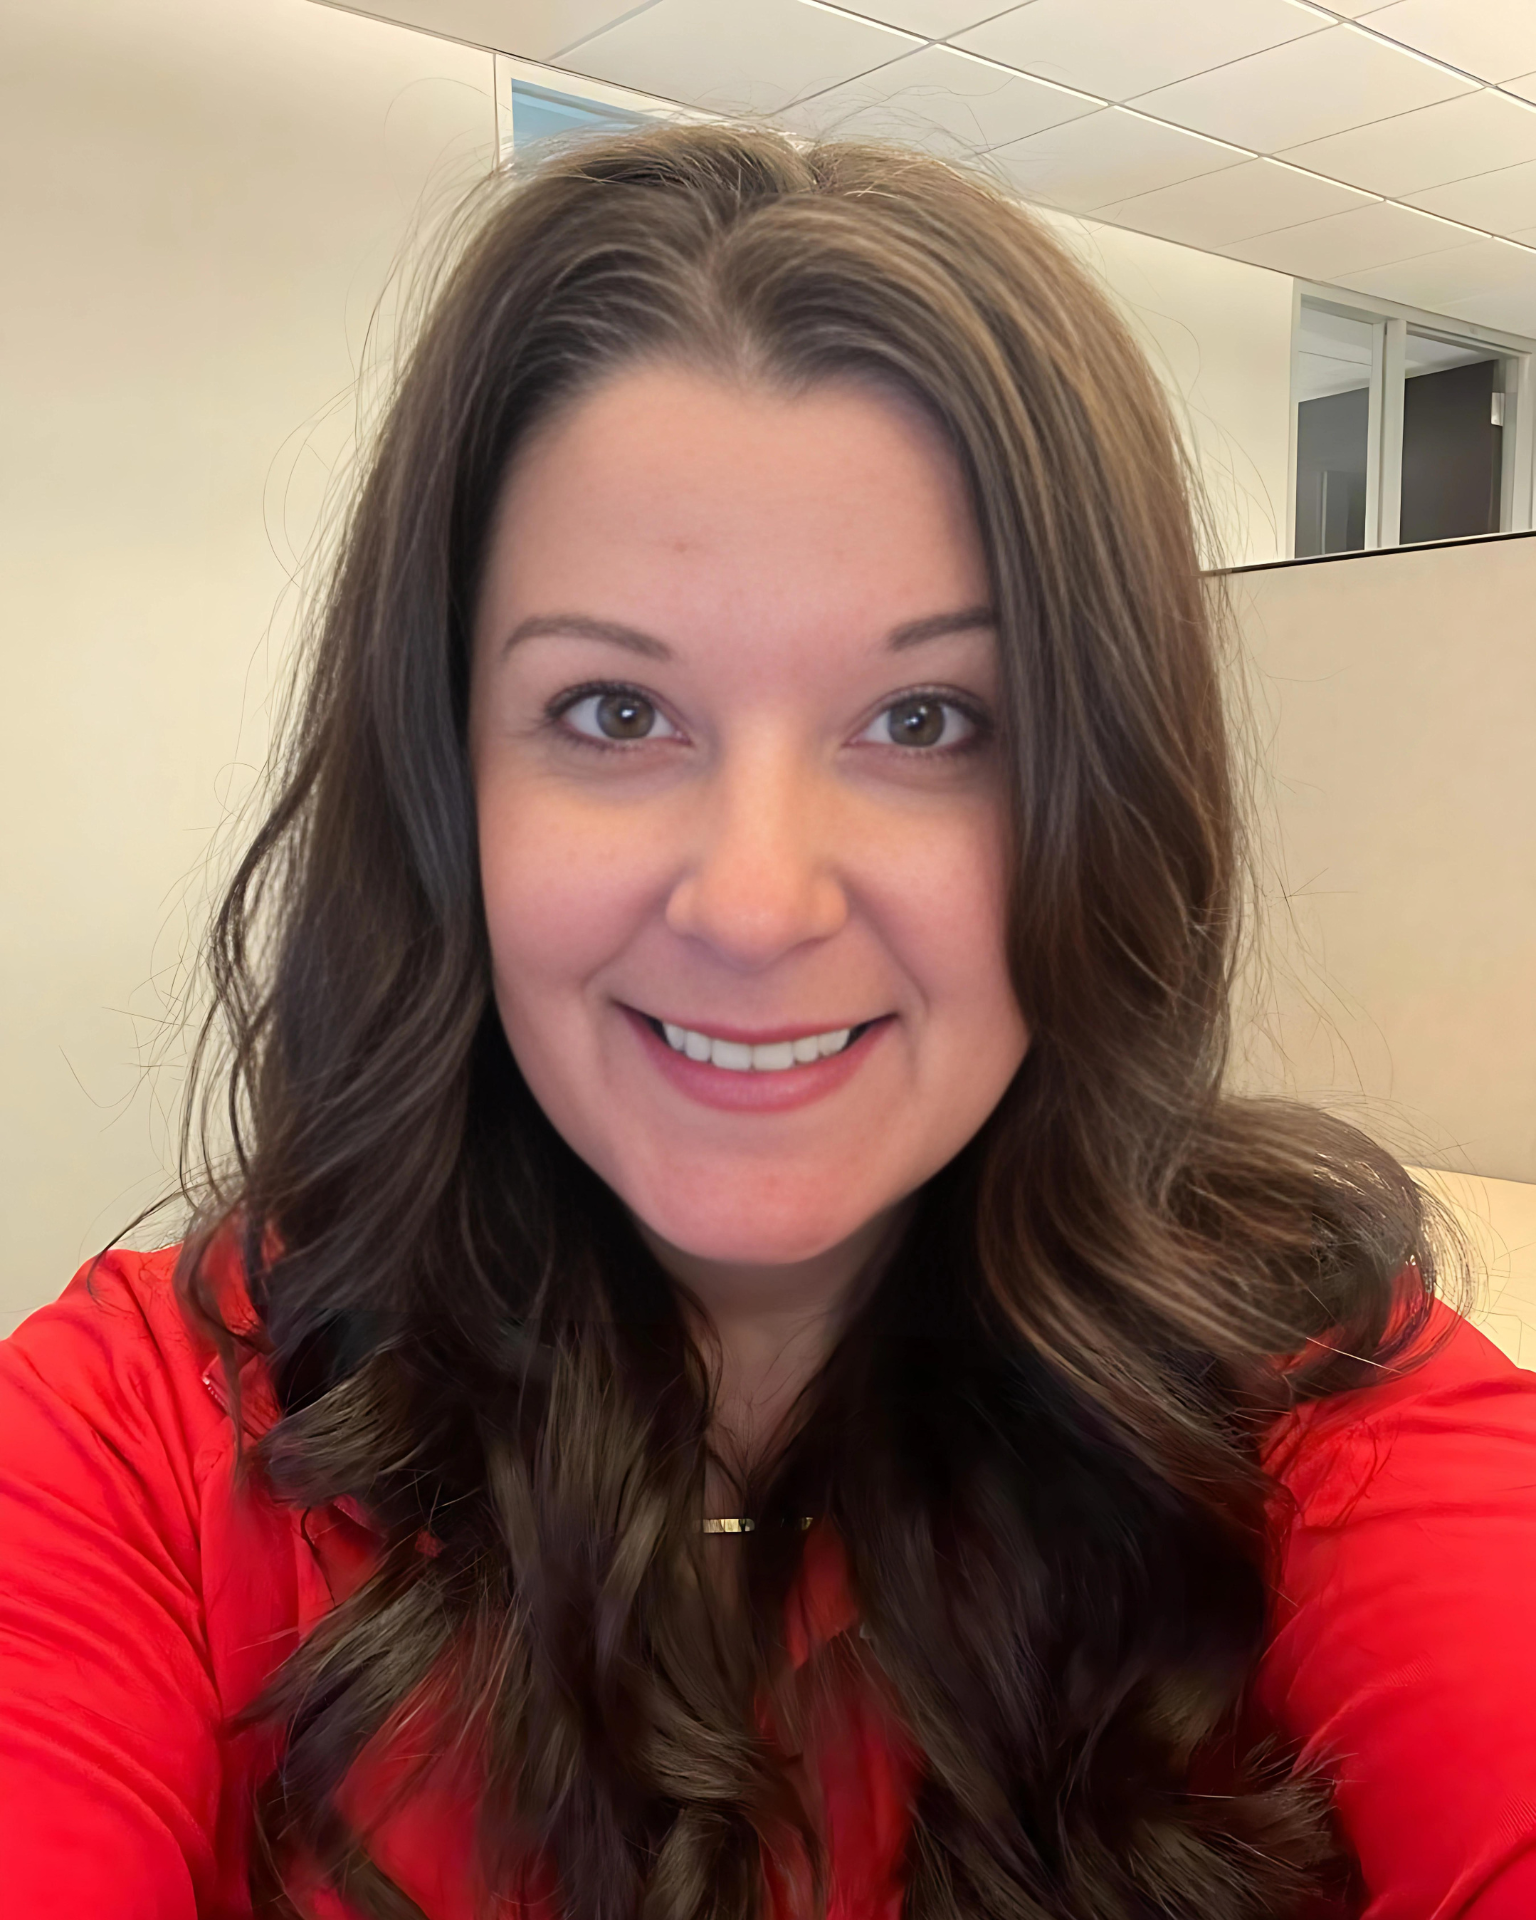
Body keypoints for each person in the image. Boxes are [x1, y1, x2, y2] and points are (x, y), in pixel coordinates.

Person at [1, 120, 1533, 1920]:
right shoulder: (140, 1449)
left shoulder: (1328, 1429)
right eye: (611, 712)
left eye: (929, 722)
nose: (753, 901)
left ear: (1101, 801)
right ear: (444, 782)